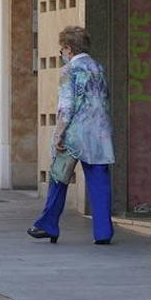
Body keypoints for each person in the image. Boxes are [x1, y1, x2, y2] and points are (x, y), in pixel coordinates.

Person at [28, 26, 115, 245]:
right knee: (99, 181)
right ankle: (103, 232)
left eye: (62, 49)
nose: (61, 54)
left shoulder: (70, 71)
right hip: (100, 133)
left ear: (68, 48)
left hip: (74, 133)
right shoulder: (98, 67)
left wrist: (58, 134)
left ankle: (49, 224)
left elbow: (66, 107)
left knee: (59, 176)